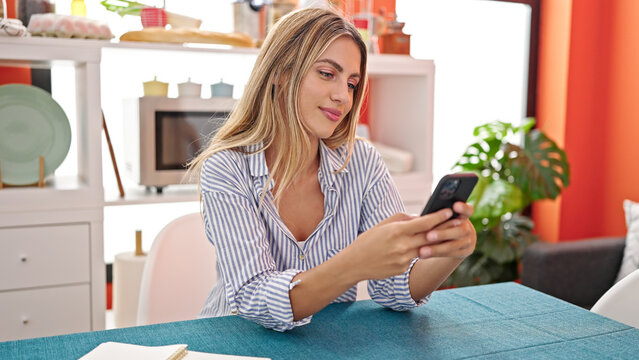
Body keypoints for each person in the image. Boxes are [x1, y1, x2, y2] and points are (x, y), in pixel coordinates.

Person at [189, 7, 476, 332]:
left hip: (327, 343)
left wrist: (448, 252)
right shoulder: (226, 168)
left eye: (352, 83)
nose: (343, 96)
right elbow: (254, 298)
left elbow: (394, 289)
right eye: (327, 74)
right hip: (233, 342)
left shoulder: (362, 162)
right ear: (282, 72)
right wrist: (355, 262)